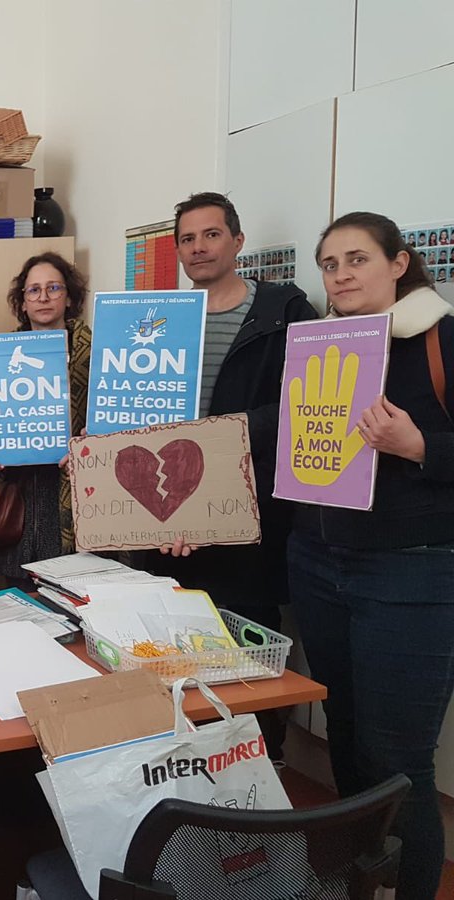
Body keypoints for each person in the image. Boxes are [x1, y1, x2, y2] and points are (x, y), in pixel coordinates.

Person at [289, 212, 454, 900]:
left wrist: (420, 446)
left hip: (410, 569)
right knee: (348, 736)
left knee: (398, 759)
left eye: (357, 259)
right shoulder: (324, 344)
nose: (342, 274)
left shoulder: (442, 338)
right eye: (330, 264)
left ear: (398, 263)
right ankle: (363, 881)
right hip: (322, 562)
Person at [151, 193, 317, 633]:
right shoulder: (155, 320)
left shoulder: (284, 313)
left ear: (238, 240)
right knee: (169, 650)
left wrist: (239, 430)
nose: (198, 247)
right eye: (187, 239)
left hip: (248, 516)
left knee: (249, 661)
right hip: (165, 513)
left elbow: (310, 406)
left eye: (211, 234)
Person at [0, 252, 91, 587]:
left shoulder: (96, 353)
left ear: (69, 298)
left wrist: (88, 447)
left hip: (76, 504)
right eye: (33, 290)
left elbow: (115, 427)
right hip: (20, 505)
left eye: (54, 288)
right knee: (21, 607)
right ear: (22, 303)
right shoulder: (3, 355)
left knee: (74, 604)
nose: (44, 297)